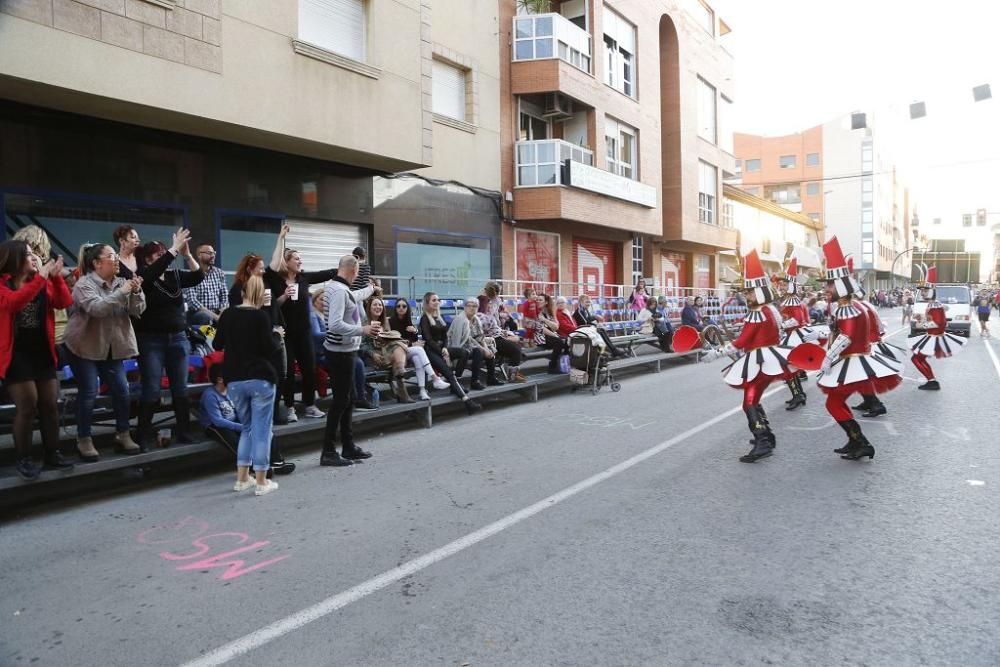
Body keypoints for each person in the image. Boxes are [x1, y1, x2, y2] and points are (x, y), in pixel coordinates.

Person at [817, 237, 902, 460]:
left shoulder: (850, 309)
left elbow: (845, 337)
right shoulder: (849, 307)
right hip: (852, 361)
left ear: (842, 285)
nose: (826, 288)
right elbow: (839, 332)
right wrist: (818, 334)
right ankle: (855, 440)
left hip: (853, 361)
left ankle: (861, 442)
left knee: (833, 402)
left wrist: (828, 357)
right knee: (835, 402)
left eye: (830, 284)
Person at [64, 243, 146, 462]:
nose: (116, 259)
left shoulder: (121, 282)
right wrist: (123, 292)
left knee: (122, 390)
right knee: (89, 391)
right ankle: (84, 438)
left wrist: (136, 292)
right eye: (111, 256)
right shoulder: (83, 284)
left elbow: (138, 311)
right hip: (83, 346)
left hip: (113, 346)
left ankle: (123, 434)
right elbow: (97, 309)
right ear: (97, 263)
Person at [0, 241, 74, 480]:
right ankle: (24, 458)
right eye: (29, 255)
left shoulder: (41, 282)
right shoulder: (3, 285)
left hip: (42, 351)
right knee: (28, 406)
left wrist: (55, 278)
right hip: (15, 354)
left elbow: (63, 302)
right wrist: (42, 279)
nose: (35, 259)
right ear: (14, 260)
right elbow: (13, 303)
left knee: (50, 405)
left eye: (35, 255)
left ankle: (53, 453)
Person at [719, 250, 798, 463]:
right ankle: (766, 436)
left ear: (760, 291)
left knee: (749, 402)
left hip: (760, 361)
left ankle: (763, 440)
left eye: (750, 292)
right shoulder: (770, 309)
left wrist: (715, 353)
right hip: (769, 357)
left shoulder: (757, 312)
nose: (747, 296)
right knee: (753, 399)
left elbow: (742, 341)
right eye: (746, 293)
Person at [213, 275, 282, 496]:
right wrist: (276, 335)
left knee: (247, 428)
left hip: (234, 379)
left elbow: (217, 344)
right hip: (260, 377)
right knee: (262, 431)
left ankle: (242, 478)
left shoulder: (228, 314)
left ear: (241, 292)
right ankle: (262, 481)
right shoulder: (261, 317)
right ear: (260, 294)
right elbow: (270, 348)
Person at [134, 228, 203, 448]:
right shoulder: (145, 276)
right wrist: (172, 250)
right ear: (147, 258)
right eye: (158, 253)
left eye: (164, 251)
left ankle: (183, 432)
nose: (163, 255)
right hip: (151, 339)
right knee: (152, 388)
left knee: (180, 388)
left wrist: (187, 255)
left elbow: (198, 276)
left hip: (178, 337)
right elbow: (152, 273)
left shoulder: (174, 275)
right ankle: (142, 435)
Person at [265, 224, 338, 423]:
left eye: (300, 258)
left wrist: (343, 268)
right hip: (286, 332)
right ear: (286, 262)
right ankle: (289, 407)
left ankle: (310, 405)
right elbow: (275, 304)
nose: (300, 261)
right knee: (287, 371)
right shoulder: (275, 279)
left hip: (304, 331)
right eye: (296, 258)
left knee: (309, 368)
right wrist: (283, 296)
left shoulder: (304, 277)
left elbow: (325, 273)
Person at [321, 254, 379, 466]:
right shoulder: (338, 291)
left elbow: (353, 296)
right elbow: (335, 324)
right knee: (340, 402)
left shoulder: (338, 288)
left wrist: (370, 290)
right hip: (340, 353)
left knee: (348, 399)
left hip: (345, 351)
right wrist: (362, 329)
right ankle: (328, 451)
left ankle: (348, 446)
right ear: (354, 271)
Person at [420, 292, 482, 412]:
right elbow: (428, 340)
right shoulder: (424, 319)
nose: (437, 302)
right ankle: (467, 402)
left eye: (438, 300)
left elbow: (445, 337)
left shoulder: (439, 317)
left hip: (442, 349)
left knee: (464, 353)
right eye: (433, 300)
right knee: (448, 373)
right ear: (427, 303)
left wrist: (445, 348)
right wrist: (442, 351)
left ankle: (456, 381)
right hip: (430, 351)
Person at [907, 265, 965, 390]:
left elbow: (937, 323)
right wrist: (921, 318)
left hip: (934, 337)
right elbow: (937, 321)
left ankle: (932, 381)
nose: (922, 293)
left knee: (916, 358)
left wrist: (920, 324)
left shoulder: (934, 305)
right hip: (932, 336)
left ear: (931, 291)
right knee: (918, 358)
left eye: (924, 291)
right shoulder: (933, 304)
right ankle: (931, 380)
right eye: (922, 291)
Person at [386, 298, 449, 399]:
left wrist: (415, 331)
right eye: (398, 306)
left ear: (407, 308)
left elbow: (415, 339)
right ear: (395, 308)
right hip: (397, 352)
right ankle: (435, 378)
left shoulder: (408, 321)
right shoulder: (390, 321)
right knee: (419, 350)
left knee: (418, 359)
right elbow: (393, 340)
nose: (401, 308)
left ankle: (422, 390)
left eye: (404, 306)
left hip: (408, 351)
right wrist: (412, 344)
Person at [772, 258, 812, 411]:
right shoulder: (789, 299)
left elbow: (797, 320)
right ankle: (798, 394)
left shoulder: (793, 301)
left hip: (794, 336)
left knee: (788, 367)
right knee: (789, 368)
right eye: (780, 284)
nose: (781, 287)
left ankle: (798, 395)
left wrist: (781, 325)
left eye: (784, 284)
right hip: (791, 336)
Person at [362, 297, 416, 403]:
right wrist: (373, 354)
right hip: (372, 356)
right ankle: (403, 393)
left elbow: (390, 342)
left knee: (397, 346)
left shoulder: (385, 322)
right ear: (369, 307)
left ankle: (401, 370)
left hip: (386, 352)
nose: (378, 307)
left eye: (380, 305)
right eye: (375, 305)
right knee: (398, 355)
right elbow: (362, 344)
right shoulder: (364, 322)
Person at [448, 297, 498, 390]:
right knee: (478, 351)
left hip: (472, 347)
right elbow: (466, 340)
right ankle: (475, 381)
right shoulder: (461, 320)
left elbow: (480, 337)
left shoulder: (476, 319)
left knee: (490, 349)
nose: (472, 308)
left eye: (474, 306)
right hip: (459, 347)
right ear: (465, 307)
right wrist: (483, 349)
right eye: (469, 305)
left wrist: (486, 348)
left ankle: (491, 378)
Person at [478, 281, 525, 382]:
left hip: (496, 334)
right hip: (489, 338)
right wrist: (502, 332)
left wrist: (503, 331)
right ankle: (512, 375)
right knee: (516, 349)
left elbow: (498, 320)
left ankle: (513, 372)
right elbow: (486, 326)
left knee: (518, 343)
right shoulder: (483, 302)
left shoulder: (495, 302)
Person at [200, 364, 242, 455]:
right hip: (214, 426)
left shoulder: (231, 390)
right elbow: (218, 421)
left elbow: (238, 411)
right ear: (220, 380)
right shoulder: (210, 395)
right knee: (235, 441)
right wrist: (241, 427)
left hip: (231, 423)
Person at [184, 243, 228, 325]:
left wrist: (222, 313)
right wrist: (216, 317)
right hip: (199, 314)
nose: (213, 255)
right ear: (199, 255)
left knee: (233, 315)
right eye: (209, 253)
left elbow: (224, 296)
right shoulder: (191, 275)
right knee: (205, 316)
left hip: (218, 313)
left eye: (214, 253)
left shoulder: (219, 273)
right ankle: (208, 338)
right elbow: (193, 302)